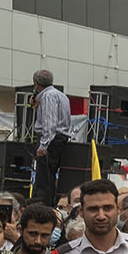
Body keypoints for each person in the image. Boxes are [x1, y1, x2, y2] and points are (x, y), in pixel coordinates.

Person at [31, 70, 82, 202]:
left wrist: (43, 145)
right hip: (60, 138)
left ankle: (43, 205)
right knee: (50, 175)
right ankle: (48, 203)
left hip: (51, 140)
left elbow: (50, 123)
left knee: (44, 178)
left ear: (36, 83)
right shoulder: (61, 95)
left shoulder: (48, 96)